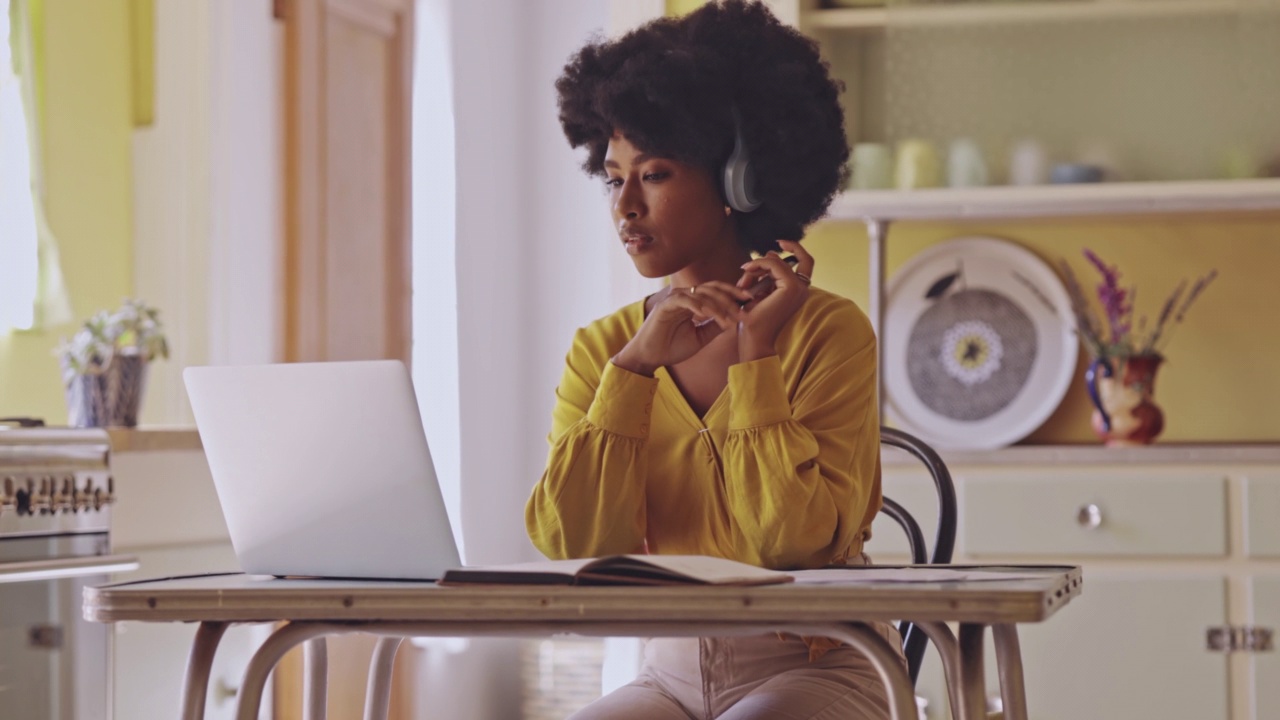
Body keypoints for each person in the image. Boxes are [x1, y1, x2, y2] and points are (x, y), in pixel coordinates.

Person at [524, 2, 901, 718]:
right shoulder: (603, 352)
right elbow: (576, 545)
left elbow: (793, 545)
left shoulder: (829, 333)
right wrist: (632, 374)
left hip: (821, 666)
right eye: (614, 178)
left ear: (740, 181)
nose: (624, 206)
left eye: (656, 173)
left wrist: (756, 358)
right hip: (667, 675)